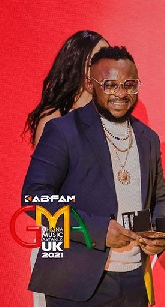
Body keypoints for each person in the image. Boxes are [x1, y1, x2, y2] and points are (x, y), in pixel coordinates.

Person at [22, 46, 165, 306]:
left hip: (133, 280)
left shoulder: (148, 138)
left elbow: (162, 198)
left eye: (129, 84)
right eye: (110, 84)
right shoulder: (64, 130)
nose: (121, 93)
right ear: (91, 85)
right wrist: (97, 230)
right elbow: (34, 198)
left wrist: (162, 232)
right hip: (75, 282)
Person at [23, 30, 109, 307]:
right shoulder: (54, 120)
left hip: (103, 246)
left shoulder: (111, 119)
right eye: (96, 58)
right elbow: (44, 195)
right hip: (61, 244)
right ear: (77, 62)